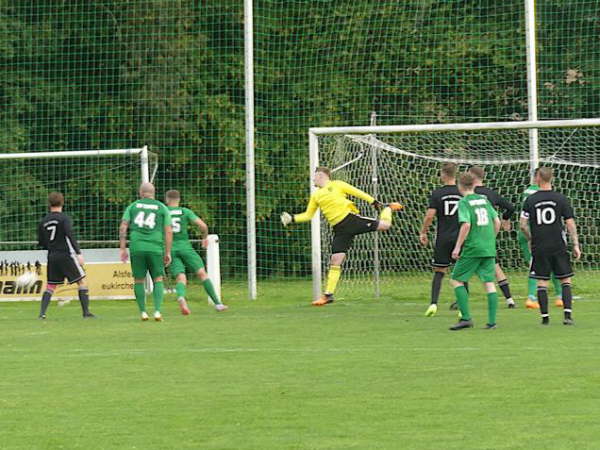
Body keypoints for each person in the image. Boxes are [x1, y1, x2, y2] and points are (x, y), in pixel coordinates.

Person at [280, 166, 402, 305]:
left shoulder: (337, 184)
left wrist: (373, 201)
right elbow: (309, 215)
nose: (313, 179)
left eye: (314, 176)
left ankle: (388, 209)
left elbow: (357, 192)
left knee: (385, 225)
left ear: (321, 176)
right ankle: (328, 296)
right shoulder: (316, 195)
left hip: (351, 220)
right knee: (335, 260)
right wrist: (292, 218)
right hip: (340, 230)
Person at [519, 167, 581, 325]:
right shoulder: (560, 198)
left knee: (542, 281)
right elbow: (570, 223)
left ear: (538, 178)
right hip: (558, 244)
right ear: (551, 178)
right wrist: (575, 244)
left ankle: (545, 318)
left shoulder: (530, 200)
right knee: (565, 279)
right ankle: (567, 316)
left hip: (539, 245)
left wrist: (531, 238)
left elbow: (522, 225)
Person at [449, 173, 501, 331]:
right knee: (489, 283)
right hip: (488, 247)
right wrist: (491, 237)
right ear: (474, 185)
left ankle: (465, 318)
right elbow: (497, 221)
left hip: (473, 247)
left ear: (460, 185)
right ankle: (492, 322)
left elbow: (466, 225)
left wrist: (457, 247)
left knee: (456, 280)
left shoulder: (464, 202)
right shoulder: (484, 200)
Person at [165, 190, 227, 314]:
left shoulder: (163, 212)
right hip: (185, 247)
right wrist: (204, 238)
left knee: (180, 277)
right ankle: (218, 304)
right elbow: (203, 226)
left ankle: (181, 297)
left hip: (170, 249)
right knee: (202, 273)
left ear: (167, 200)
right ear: (179, 200)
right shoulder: (184, 211)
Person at [119, 182, 173, 321]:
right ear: (153, 193)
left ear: (140, 192)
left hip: (137, 247)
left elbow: (123, 227)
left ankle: (143, 312)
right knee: (158, 278)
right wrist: (167, 252)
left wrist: (123, 248)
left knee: (138, 280)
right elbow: (168, 230)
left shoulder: (133, 206)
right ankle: (157, 311)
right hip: (155, 247)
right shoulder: (161, 207)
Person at [37, 192, 94, 319]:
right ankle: (86, 313)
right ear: (62, 202)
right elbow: (70, 235)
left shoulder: (43, 221)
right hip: (66, 255)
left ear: (49, 204)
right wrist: (78, 253)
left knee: (51, 285)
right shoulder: (64, 218)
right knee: (81, 281)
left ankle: (42, 313)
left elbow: (41, 242)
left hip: (52, 256)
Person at [468, 166, 516, 308]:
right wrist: (506, 220)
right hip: (488, 236)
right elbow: (510, 208)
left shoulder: (468, 193)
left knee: (463, 268)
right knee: (494, 266)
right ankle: (510, 300)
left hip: (472, 235)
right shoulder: (491, 194)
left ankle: (460, 300)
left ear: (472, 176)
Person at [419, 162, 463, 317]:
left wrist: (423, 232)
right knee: (462, 271)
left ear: (443, 175)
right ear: (455, 175)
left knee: (439, 271)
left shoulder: (437, 193)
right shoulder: (462, 192)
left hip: (443, 237)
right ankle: (462, 304)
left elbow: (430, 215)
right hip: (461, 237)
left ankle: (433, 304)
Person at [517, 173, 563, 309]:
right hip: (539, 234)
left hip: (527, 233)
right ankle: (534, 297)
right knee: (547, 264)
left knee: (537, 265)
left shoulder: (527, 192)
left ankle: (557, 295)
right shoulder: (542, 193)